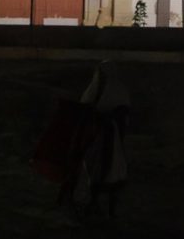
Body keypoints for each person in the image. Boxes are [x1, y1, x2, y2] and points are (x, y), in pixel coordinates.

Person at [30, 65, 132, 223]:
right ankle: (78, 204)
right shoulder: (95, 89)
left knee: (106, 172)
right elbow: (84, 108)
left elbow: (121, 115)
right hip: (89, 138)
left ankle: (102, 209)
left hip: (108, 140)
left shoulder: (118, 91)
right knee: (81, 169)